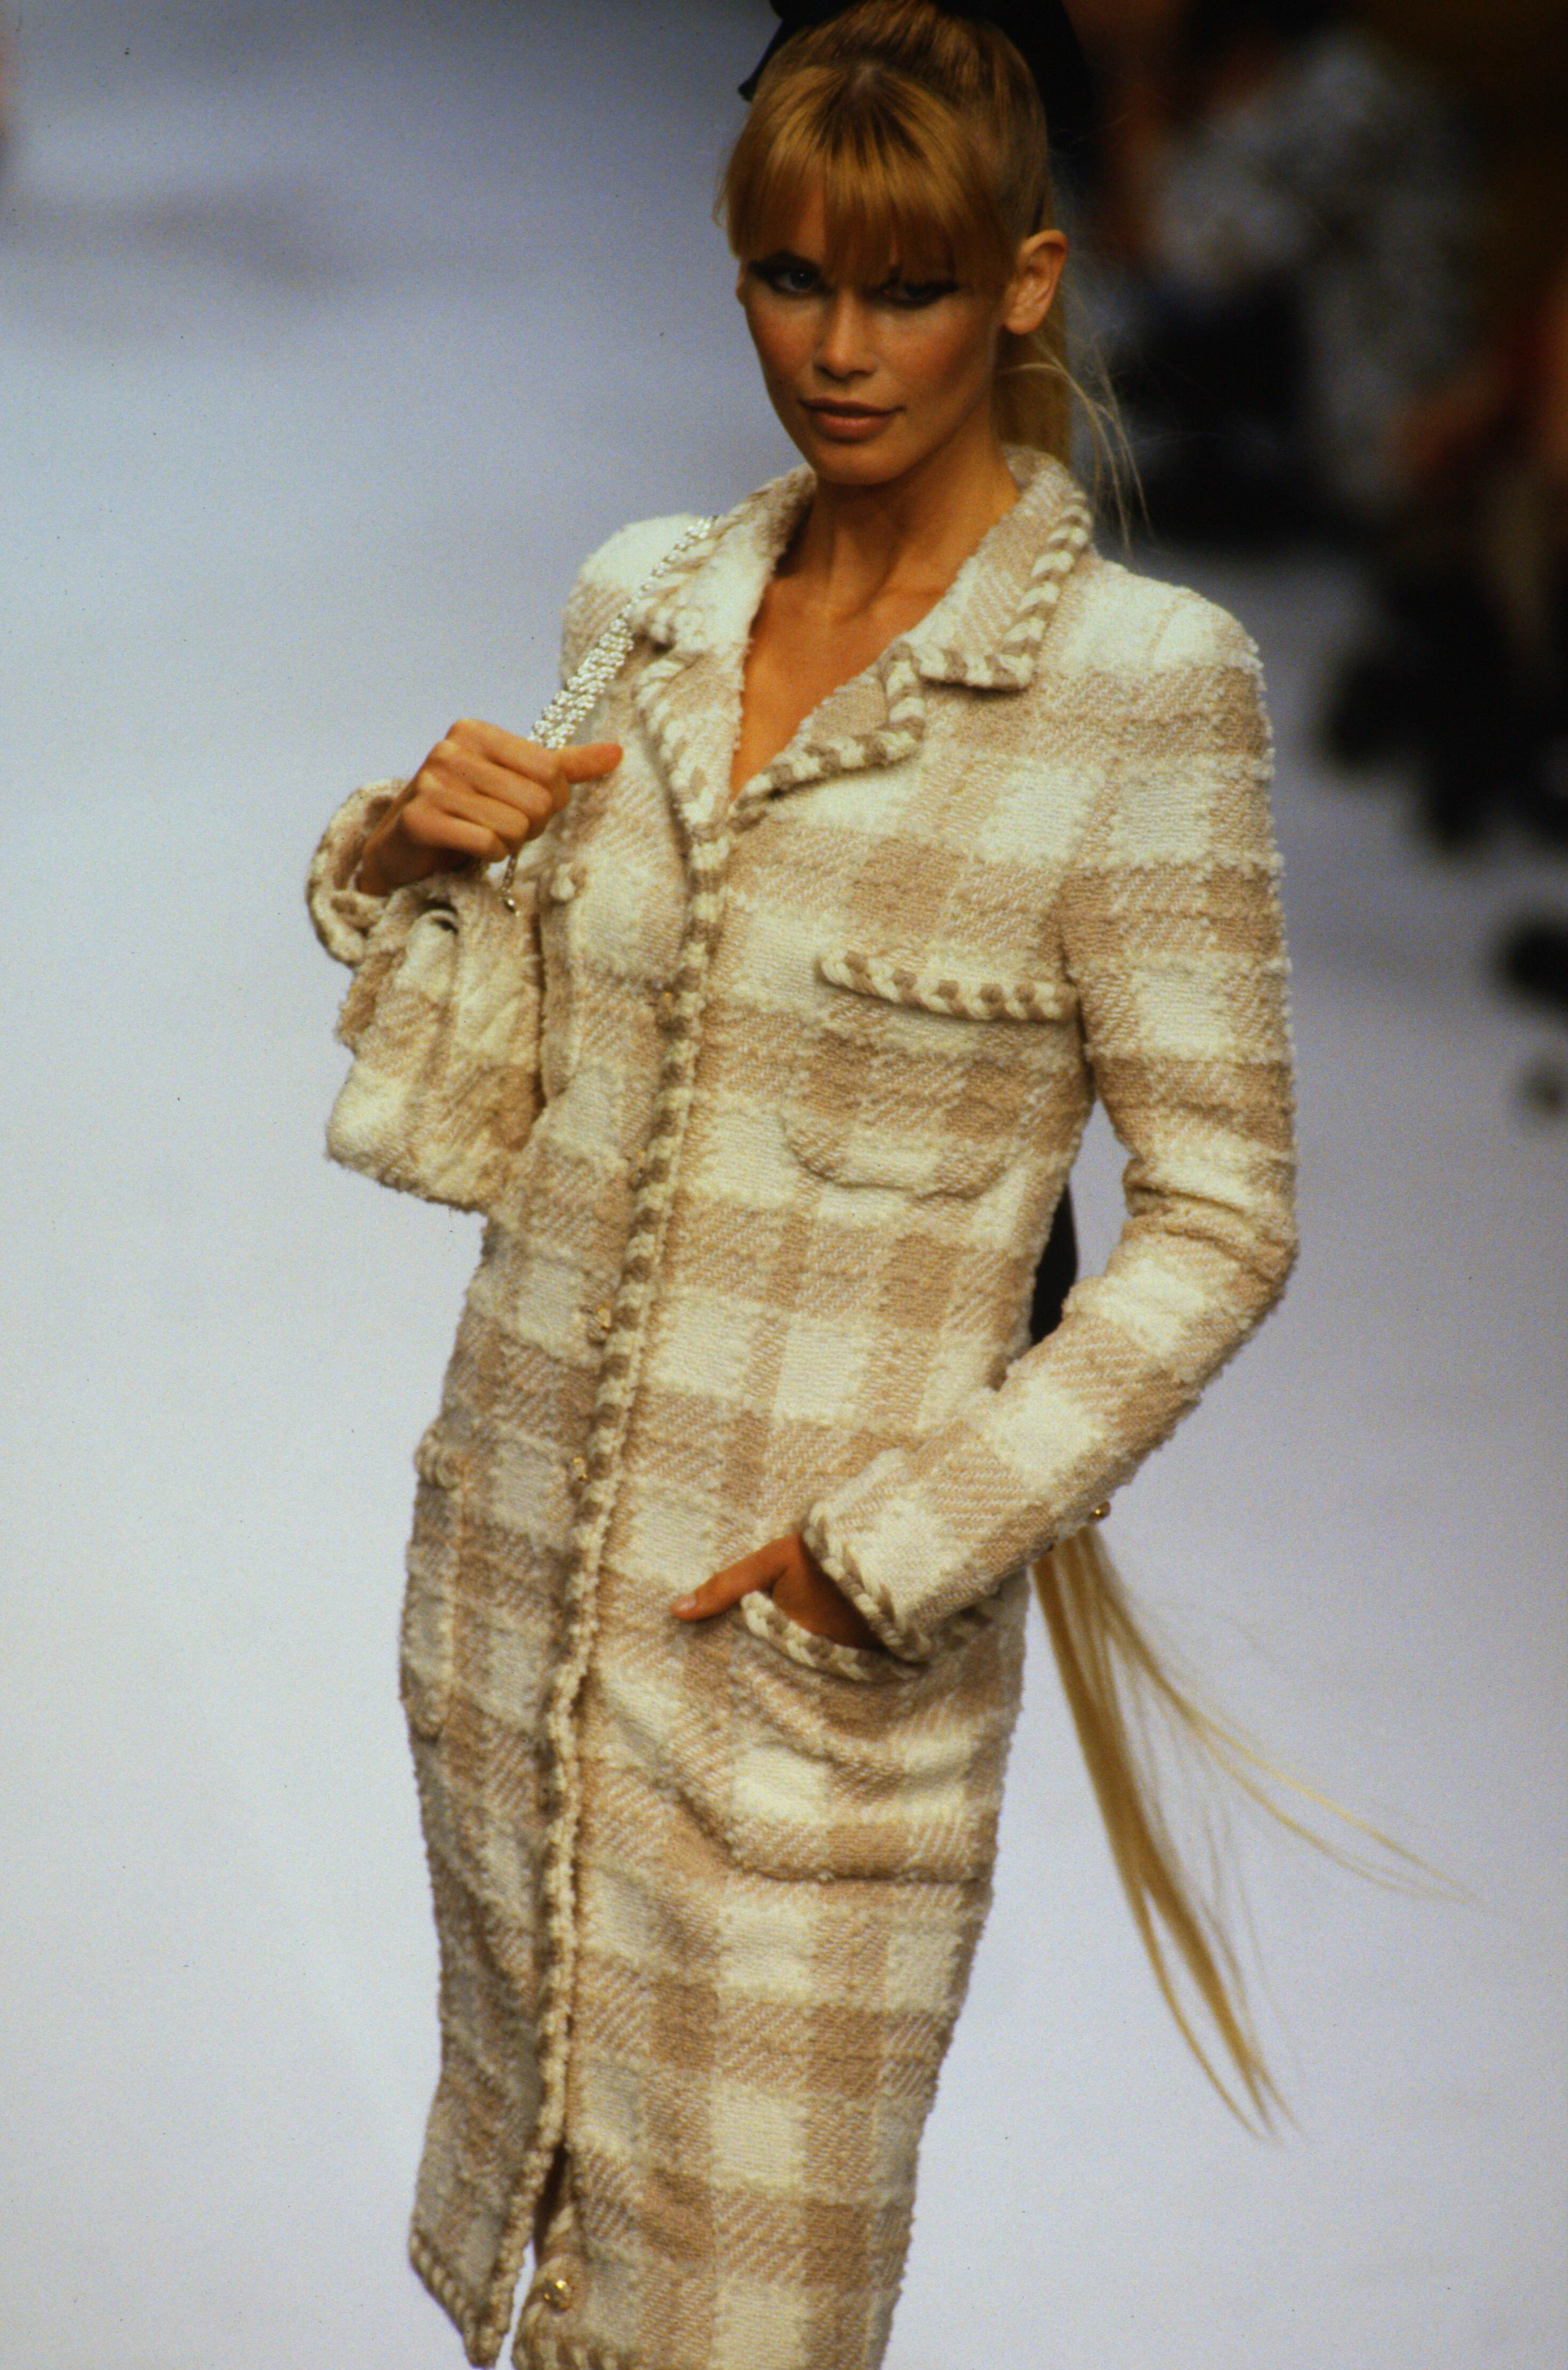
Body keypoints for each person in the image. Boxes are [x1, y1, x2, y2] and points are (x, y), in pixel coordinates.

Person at [305, 5, 1298, 2366]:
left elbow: (1226, 1210)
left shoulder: (1139, 690)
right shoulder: (643, 603)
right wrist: (411, 855)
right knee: (537, 2292)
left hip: (804, 1679)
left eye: (908, 288)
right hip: (518, 1621)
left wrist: (902, 1551)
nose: (840, 351)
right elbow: (490, 1104)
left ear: (1025, 283)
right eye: (790, 279)